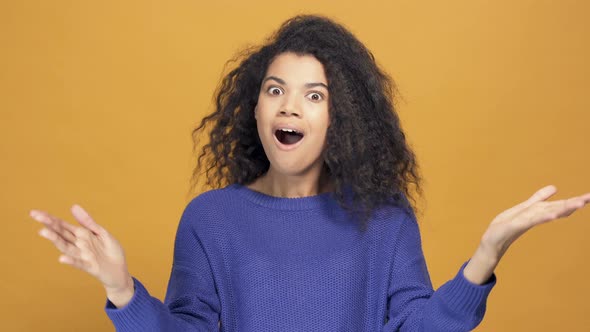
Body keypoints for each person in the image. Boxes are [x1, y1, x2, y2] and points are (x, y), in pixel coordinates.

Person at [30, 14, 589, 331]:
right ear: (254, 108)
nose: (289, 107)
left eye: (313, 95)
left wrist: (486, 255)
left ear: (340, 117)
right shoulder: (211, 219)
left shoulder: (385, 220)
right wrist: (123, 291)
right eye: (275, 90)